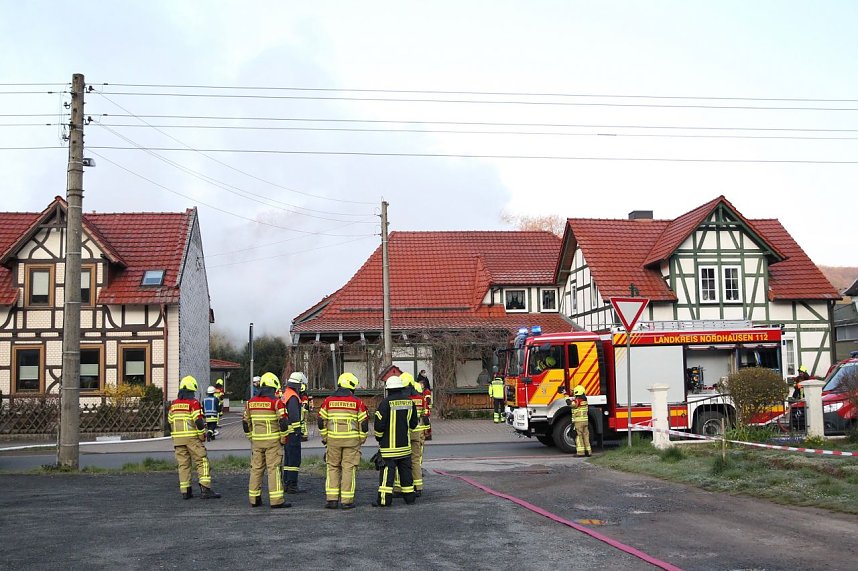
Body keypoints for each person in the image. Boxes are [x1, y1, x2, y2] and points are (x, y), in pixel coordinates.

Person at [318, 372, 368, 509]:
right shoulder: (357, 402)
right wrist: (362, 439)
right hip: (351, 442)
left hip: (333, 440)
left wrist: (325, 437)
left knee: (332, 468)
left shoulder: (328, 401)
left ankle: (332, 499)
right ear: (351, 385)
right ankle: (346, 501)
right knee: (348, 469)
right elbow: (364, 423)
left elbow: (320, 420)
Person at [167, 375, 221, 499]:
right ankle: (205, 489)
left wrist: (174, 436)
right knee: (202, 461)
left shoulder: (173, 405)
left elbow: (169, 422)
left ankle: (186, 491)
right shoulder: (194, 403)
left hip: (177, 440)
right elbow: (198, 421)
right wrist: (202, 434)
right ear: (192, 390)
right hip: (192, 438)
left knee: (183, 465)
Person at [243, 371, 291, 509]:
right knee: (273, 469)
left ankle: (254, 499)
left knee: (256, 469)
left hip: (257, 442)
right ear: (273, 386)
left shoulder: (250, 403)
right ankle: (276, 501)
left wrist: (251, 437)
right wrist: (284, 438)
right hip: (273, 442)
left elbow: (245, 423)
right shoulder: (276, 403)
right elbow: (283, 422)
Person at [373, 375, 418, 507]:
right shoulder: (410, 402)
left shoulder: (385, 403)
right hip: (405, 447)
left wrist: (379, 438)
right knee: (405, 473)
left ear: (388, 389)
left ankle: (384, 500)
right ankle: (410, 497)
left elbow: (379, 426)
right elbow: (414, 424)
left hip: (389, 449)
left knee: (387, 474)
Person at [393, 372, 430, 497]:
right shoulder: (420, 399)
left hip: (403, 434)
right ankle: (418, 487)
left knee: (400, 460)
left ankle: (398, 488)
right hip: (417, 433)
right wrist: (425, 432)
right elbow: (425, 416)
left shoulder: (401, 400)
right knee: (415, 460)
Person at [281, 371, 305, 494]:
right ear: (298, 384)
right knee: (294, 460)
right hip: (292, 433)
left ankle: (286, 482)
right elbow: (295, 416)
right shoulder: (294, 397)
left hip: (286, 433)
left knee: (288, 459)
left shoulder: (286, 394)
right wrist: (298, 431)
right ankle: (292, 485)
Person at [568, 385, 591, 457]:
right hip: (585, 422)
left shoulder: (577, 401)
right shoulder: (585, 401)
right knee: (586, 436)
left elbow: (571, 404)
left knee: (578, 436)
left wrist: (567, 399)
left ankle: (580, 453)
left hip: (579, 422)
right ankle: (588, 452)